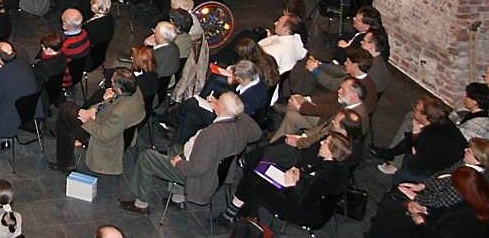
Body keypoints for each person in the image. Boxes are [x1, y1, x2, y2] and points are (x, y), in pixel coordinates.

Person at [120, 92, 261, 212]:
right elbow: (258, 133)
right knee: (176, 147)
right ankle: (178, 197)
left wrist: (179, 163)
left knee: (147, 157)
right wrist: (234, 111)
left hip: (199, 178)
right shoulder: (242, 126)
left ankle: (140, 204)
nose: (214, 101)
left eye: (218, 101)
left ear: (221, 108)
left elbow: (197, 169)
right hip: (218, 172)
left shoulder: (212, 135)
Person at [217, 132, 353, 228]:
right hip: (298, 190)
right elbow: (308, 173)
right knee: (257, 171)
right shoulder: (329, 163)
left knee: (254, 178)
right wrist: (297, 172)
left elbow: (302, 205)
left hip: (298, 209)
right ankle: (245, 214)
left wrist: (291, 185)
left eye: (326, 142)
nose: (321, 142)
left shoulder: (325, 178)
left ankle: (236, 212)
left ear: (331, 151)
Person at [365, 138, 489, 237]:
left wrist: (418, 203)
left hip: (433, 216)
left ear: (478, 160)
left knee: (392, 206)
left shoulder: (468, 183)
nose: (465, 150)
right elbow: (441, 175)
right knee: (393, 198)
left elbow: (443, 205)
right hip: (433, 199)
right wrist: (421, 185)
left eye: (469, 151)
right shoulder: (464, 164)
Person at [51, 67, 145, 174]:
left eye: (113, 82)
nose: (110, 82)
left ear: (119, 88)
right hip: (114, 128)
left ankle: (65, 164)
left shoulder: (119, 112)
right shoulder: (135, 91)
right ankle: (65, 160)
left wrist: (87, 120)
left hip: (103, 140)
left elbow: (103, 135)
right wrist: (99, 106)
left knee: (66, 112)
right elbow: (113, 106)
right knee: (68, 114)